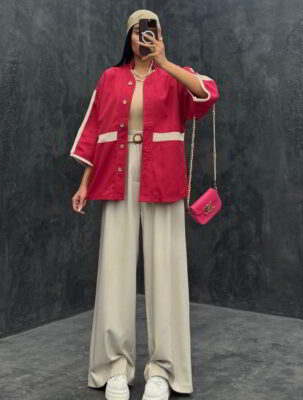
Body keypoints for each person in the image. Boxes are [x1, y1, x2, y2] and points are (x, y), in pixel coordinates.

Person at [70, 9, 218, 400]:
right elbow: (94, 131)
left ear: (160, 36)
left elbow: (207, 94)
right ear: (129, 37)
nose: (144, 37)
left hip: (163, 177)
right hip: (115, 176)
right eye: (138, 31)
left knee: (166, 272)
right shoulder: (109, 77)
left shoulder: (173, 75)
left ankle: (163, 371)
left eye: (151, 31)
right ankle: (114, 368)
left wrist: (165, 62)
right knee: (114, 271)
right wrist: (84, 183)